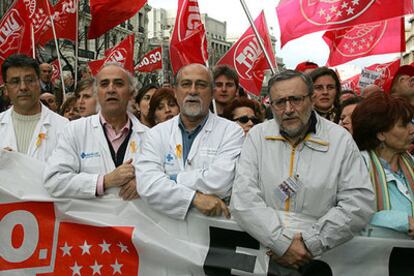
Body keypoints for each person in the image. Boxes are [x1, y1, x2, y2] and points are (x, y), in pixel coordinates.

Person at [230, 70, 375, 273]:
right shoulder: (257, 136)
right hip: (266, 256)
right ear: (270, 104)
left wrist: (309, 243)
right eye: (280, 102)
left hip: (320, 259)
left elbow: (358, 202)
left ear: (311, 99)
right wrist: (281, 243)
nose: (288, 109)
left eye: (296, 100)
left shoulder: (340, 139)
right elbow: (243, 198)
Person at [136, 63, 244, 220]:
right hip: (163, 233)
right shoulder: (155, 134)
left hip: (211, 232)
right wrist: (194, 198)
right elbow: (148, 184)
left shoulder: (232, 132)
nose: (193, 91)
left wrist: (170, 179)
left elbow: (220, 182)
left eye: (201, 85)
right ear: (175, 91)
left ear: (212, 92)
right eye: (186, 84)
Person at [43, 63, 147, 200]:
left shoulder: (150, 136)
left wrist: (145, 183)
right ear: (97, 94)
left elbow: (168, 176)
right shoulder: (75, 130)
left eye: (119, 84)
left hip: (135, 220)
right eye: (104, 84)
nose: (111, 89)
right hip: (88, 220)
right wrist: (104, 181)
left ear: (131, 93)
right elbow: (54, 180)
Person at [352, 93, 414, 238]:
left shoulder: (410, 163)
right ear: (380, 134)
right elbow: (351, 213)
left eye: (411, 122)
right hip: (376, 257)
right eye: (403, 125)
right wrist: (405, 222)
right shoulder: (358, 166)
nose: (412, 129)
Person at [0, 54, 68, 161]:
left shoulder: (64, 127)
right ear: (6, 89)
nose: (23, 87)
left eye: (30, 80)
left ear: (39, 83)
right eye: (15, 81)